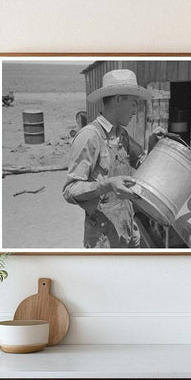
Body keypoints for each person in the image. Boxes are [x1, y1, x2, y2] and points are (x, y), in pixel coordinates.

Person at [63, 69, 154, 248]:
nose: (136, 111)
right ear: (118, 99)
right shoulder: (89, 136)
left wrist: (152, 145)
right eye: (134, 103)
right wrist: (107, 185)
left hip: (128, 230)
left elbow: (142, 164)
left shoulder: (122, 134)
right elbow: (70, 190)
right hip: (103, 240)